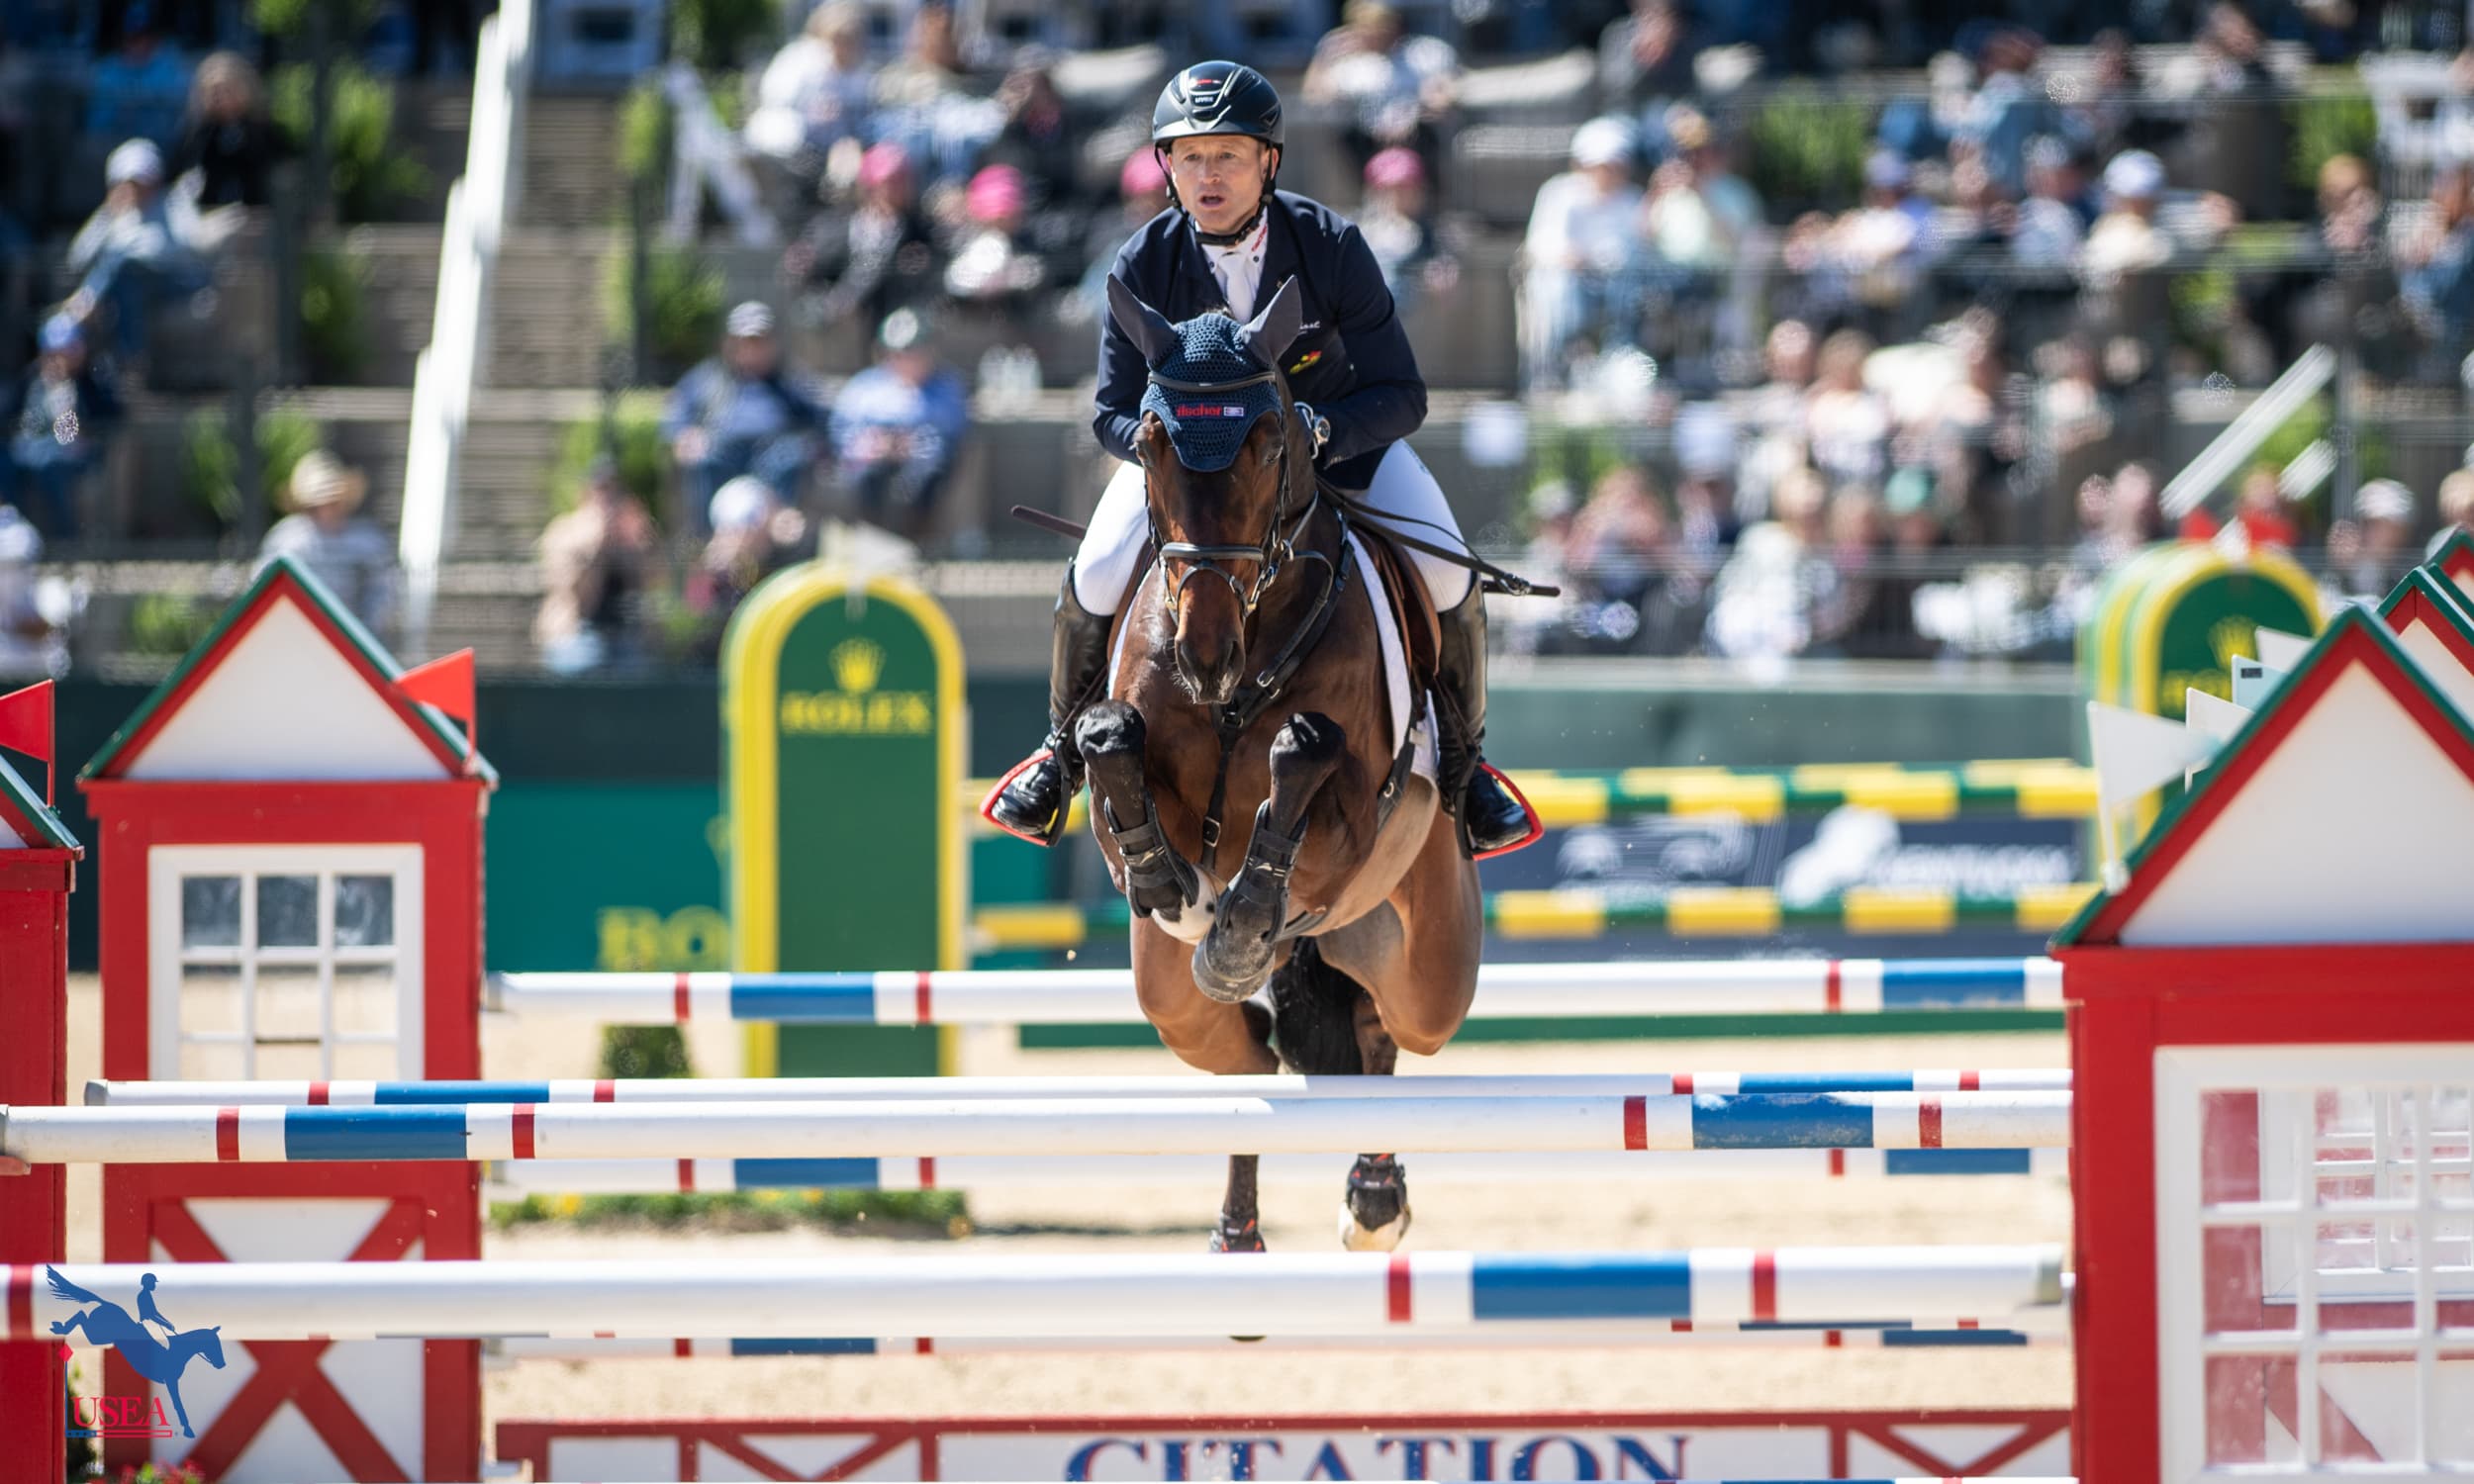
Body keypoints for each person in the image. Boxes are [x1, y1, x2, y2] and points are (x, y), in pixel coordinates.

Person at [986, 60, 1528, 857]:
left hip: (1336, 458)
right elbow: (1106, 409)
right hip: (1194, 484)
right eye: (1190, 156)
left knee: (1450, 572)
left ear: (1268, 161)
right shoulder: (1143, 262)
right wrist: (1148, 442)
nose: (1208, 175)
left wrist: (1319, 433)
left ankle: (1466, 768)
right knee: (1097, 572)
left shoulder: (1330, 246)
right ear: (1166, 166)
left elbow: (1402, 395)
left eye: (1228, 156)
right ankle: (1060, 753)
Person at [661, 301, 830, 536]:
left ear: (773, 344)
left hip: (774, 453)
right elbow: (677, 415)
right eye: (745, 343)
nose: (752, 350)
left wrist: (815, 445)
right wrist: (685, 436)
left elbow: (823, 420)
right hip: (724, 452)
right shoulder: (708, 378)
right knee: (704, 459)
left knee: (791, 456)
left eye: (759, 343)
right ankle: (709, 543)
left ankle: (778, 537)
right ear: (729, 344)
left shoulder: (792, 381)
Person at [62, 138, 212, 364]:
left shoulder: (172, 203)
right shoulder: (112, 214)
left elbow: (184, 247)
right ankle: (119, 363)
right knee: (122, 276)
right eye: (128, 181)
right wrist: (109, 216)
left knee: (123, 264)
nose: (136, 188)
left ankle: (90, 307)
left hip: (174, 283)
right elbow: (78, 257)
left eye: (140, 181)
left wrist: (134, 246)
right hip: (124, 288)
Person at [828, 308, 969, 541]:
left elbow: (952, 431)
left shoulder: (946, 385)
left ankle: (916, 545)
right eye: (898, 353)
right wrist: (870, 444)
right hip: (872, 458)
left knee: (922, 480)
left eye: (913, 351)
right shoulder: (865, 385)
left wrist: (910, 444)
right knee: (864, 478)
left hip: (922, 459)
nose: (906, 359)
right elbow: (841, 430)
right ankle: (872, 543)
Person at [534, 456, 664, 674]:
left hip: (625, 635)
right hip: (575, 633)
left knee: (642, 668)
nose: (608, 502)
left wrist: (640, 542)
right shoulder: (564, 532)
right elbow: (572, 590)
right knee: (587, 661)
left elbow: (658, 581)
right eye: (601, 493)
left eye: (614, 494)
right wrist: (596, 545)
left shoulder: (630, 535)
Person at [258, 451, 399, 635]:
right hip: (296, 633)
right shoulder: (288, 540)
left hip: (355, 636)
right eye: (320, 503)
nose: (328, 509)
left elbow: (383, 590)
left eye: (334, 502)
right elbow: (263, 585)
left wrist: (364, 629)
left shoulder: (367, 541)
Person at [2, 317, 120, 538]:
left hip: (75, 454)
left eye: (66, 351)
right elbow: (19, 422)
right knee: (5, 463)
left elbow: (69, 436)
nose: (60, 359)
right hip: (34, 451)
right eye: (53, 353)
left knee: (51, 468)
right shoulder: (31, 379)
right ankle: (14, 533)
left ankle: (66, 540)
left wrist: (62, 398)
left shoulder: (92, 380)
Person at [167, 50, 284, 209]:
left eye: (226, 89)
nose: (219, 97)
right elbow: (180, 174)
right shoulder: (197, 134)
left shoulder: (263, 131)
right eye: (213, 90)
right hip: (208, 217)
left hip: (258, 214)